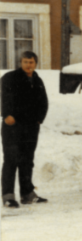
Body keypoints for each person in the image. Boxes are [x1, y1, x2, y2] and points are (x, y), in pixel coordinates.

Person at [1, 51, 49, 208]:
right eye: (26, 62)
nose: (29, 65)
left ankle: (27, 194)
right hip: (13, 125)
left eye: (31, 62)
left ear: (35, 63)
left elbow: (43, 101)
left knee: (27, 160)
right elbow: (3, 97)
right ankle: (8, 196)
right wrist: (6, 114)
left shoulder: (37, 80)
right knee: (11, 159)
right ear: (20, 63)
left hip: (31, 126)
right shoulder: (9, 78)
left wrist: (39, 118)